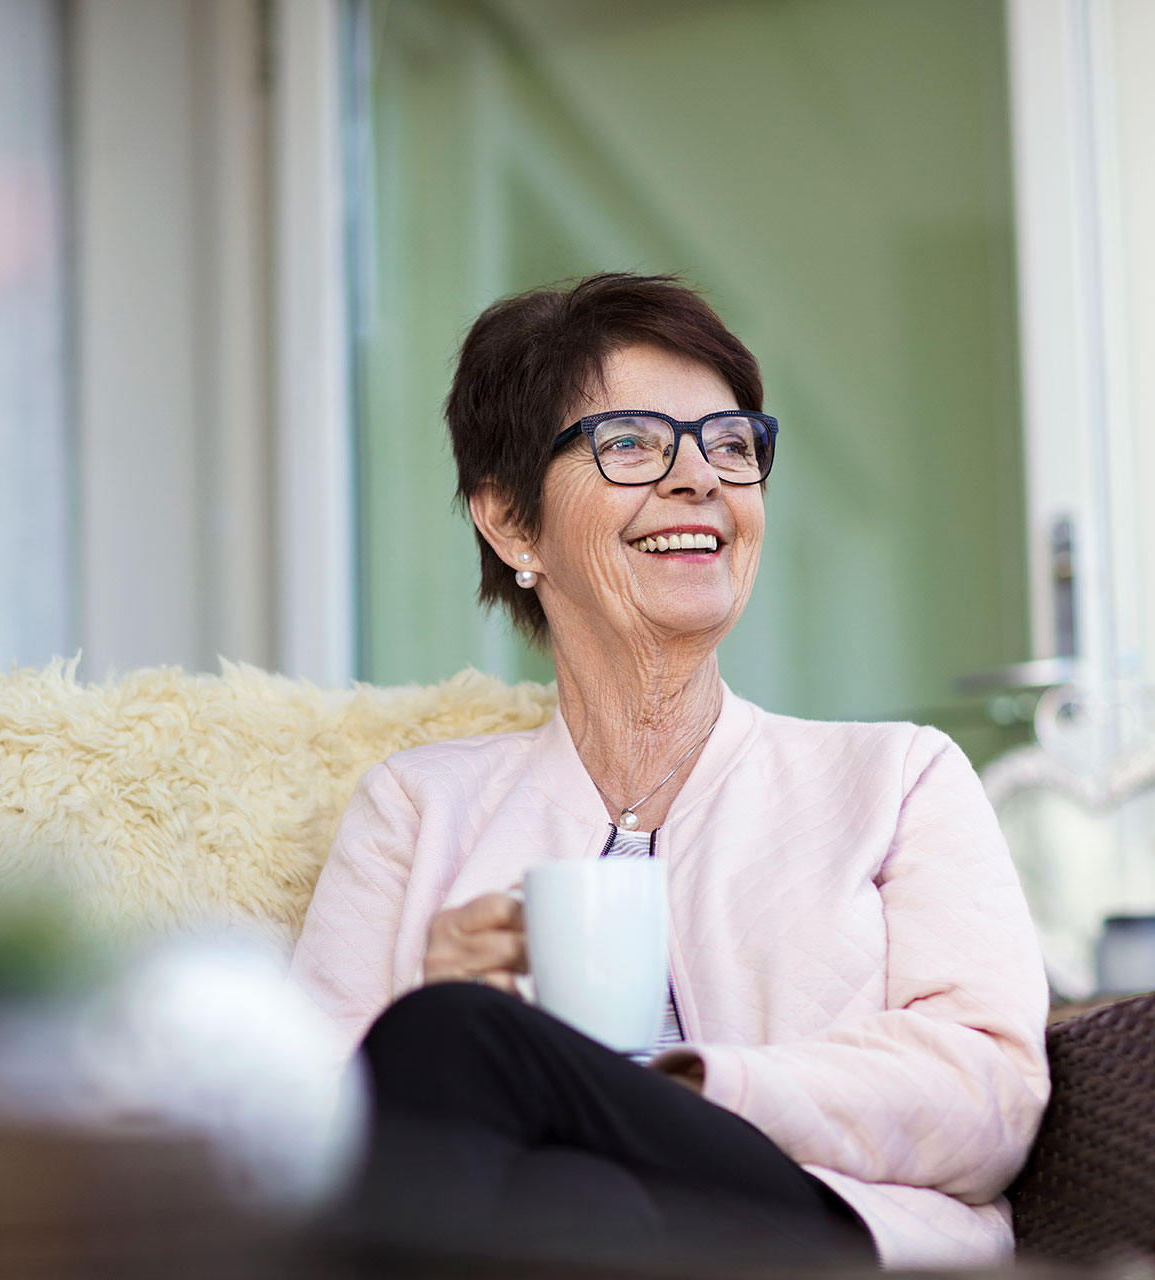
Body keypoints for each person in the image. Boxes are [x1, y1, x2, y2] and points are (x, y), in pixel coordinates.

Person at [288, 273, 1049, 1270]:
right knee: (569, 1189)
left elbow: (988, 1094)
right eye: (633, 443)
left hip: (824, 1240)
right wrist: (425, 1006)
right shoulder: (415, 808)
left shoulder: (898, 776)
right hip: (563, 1233)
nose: (702, 480)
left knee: (460, 1040)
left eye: (732, 444)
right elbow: (287, 1139)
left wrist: (675, 1086)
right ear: (512, 521)